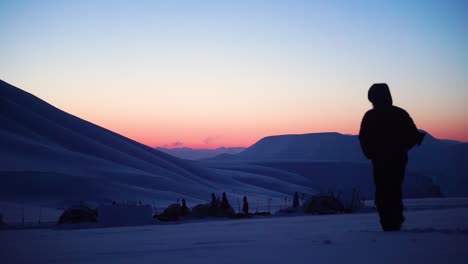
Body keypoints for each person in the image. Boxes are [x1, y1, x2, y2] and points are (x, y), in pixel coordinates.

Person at [359, 83, 425, 231]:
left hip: (383, 160)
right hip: (397, 159)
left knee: (384, 190)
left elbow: (364, 138)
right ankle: (393, 221)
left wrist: (372, 153)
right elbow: (412, 135)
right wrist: (401, 148)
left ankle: (390, 222)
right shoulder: (399, 113)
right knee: (393, 189)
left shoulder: (371, 116)